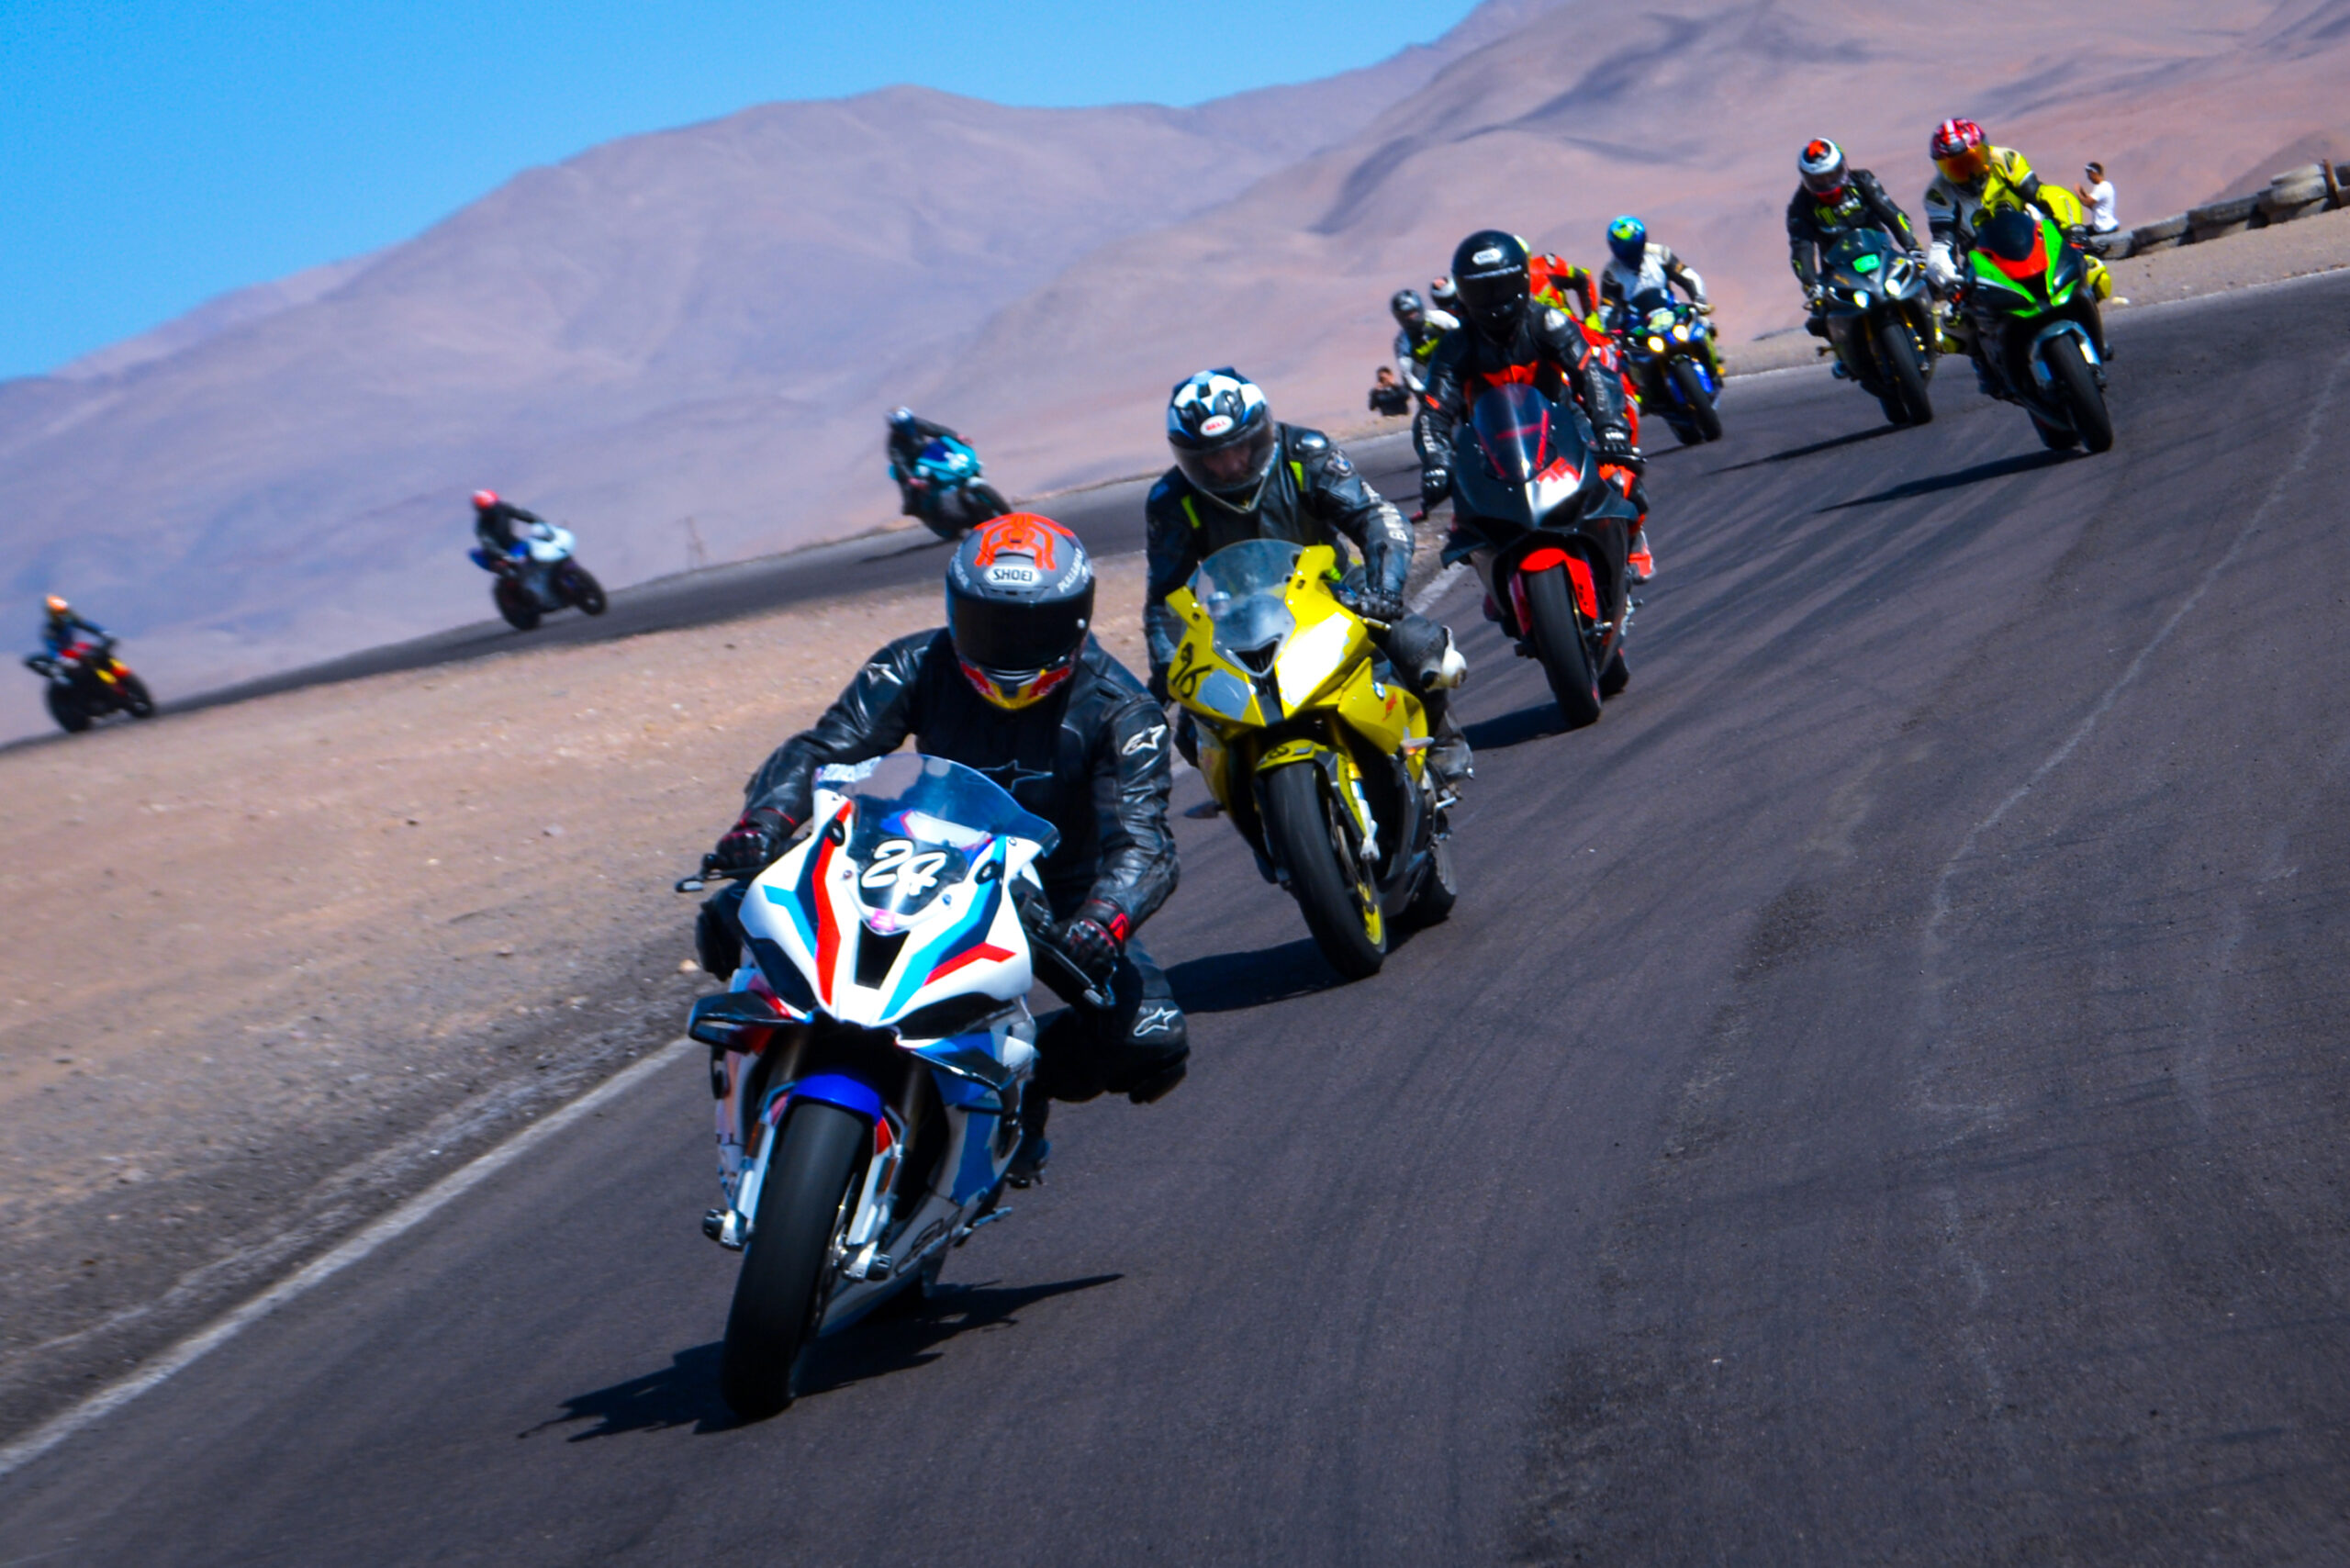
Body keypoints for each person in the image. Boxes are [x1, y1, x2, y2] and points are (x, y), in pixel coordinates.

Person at [705, 514, 1184, 1185]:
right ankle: (764, 1075)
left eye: (1034, 629)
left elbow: (1145, 843)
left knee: (1151, 1037)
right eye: (992, 625)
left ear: (1076, 624)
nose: (1011, 647)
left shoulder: (1122, 710)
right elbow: (823, 751)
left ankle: (1023, 1088)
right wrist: (761, 823)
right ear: (957, 610)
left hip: (1056, 898)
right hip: (916, 854)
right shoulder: (913, 661)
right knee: (730, 914)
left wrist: (1103, 918)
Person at [1145, 367, 1472, 786]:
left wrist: (1384, 590)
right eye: (1212, 457)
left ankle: (1440, 738)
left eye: (1239, 448)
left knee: (1415, 645)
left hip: (1335, 591)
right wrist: (1169, 664)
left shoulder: (1305, 453)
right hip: (1233, 622)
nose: (1229, 465)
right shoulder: (1171, 501)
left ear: (1260, 432)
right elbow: (1164, 597)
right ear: (1188, 458)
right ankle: (1263, 814)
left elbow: (1376, 519)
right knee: (1194, 733)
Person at [1423, 230, 1654, 583]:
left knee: (1621, 477)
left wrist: (1610, 427)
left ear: (1521, 280)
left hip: (1562, 425)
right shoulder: (1454, 347)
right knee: (1464, 527)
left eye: (1500, 287)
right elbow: (1432, 412)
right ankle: (1496, 582)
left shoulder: (1547, 321)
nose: (1493, 300)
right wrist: (1437, 461)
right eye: (1481, 291)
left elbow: (1590, 374)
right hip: (1488, 443)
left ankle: (1634, 540)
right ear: (1464, 293)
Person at [1922, 118, 2114, 386]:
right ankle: (1986, 365)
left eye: (1972, 160)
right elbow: (1941, 245)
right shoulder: (1938, 194)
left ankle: (2095, 336)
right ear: (1942, 169)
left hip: (2030, 240)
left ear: (1985, 150)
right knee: (1956, 322)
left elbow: (2045, 195)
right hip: (1982, 261)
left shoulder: (2006, 161)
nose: (1968, 172)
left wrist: (2073, 229)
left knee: (2092, 269)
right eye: (1956, 167)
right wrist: (1949, 279)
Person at [1786, 137, 1925, 335]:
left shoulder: (1863, 181)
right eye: (1818, 179)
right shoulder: (1800, 207)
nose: (1827, 183)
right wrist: (1811, 284)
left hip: (1882, 254)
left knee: (1922, 279)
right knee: (1819, 319)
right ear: (1806, 178)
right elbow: (1802, 249)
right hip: (1837, 271)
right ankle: (1844, 359)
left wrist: (1913, 247)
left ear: (1843, 166)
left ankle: (1932, 328)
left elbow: (1892, 214)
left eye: (1831, 175)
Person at [1599, 215, 1719, 380]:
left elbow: (1686, 275)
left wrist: (1699, 300)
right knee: (1626, 361)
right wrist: (1611, 332)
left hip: (1669, 308)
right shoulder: (1611, 274)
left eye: (1633, 247)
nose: (1630, 253)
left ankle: (1713, 367)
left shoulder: (1659, 253)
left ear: (1642, 241)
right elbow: (1608, 307)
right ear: (1613, 248)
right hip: (1638, 324)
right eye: (1623, 249)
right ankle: (1645, 396)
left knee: (1703, 325)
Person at [1390, 287, 1460, 483]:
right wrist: (1422, 391)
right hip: (1435, 389)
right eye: (1404, 316)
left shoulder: (1439, 320)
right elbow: (1407, 372)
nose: (1410, 319)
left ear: (1420, 308)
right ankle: (1437, 468)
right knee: (1422, 427)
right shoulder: (1402, 341)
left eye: (1412, 313)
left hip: (1462, 374)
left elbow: (1464, 336)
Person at [884, 407, 967, 518]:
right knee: (907, 485)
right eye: (902, 426)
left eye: (907, 423)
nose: (906, 427)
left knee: (946, 457)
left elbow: (936, 429)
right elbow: (900, 462)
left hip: (926, 455)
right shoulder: (893, 445)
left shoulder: (917, 423)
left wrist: (956, 436)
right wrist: (910, 478)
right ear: (895, 428)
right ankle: (911, 504)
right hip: (910, 465)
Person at [470, 490, 547, 556]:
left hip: (515, 544)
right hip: (501, 554)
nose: (492, 509)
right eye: (487, 508)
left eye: (494, 505)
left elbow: (525, 515)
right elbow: (488, 544)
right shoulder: (482, 525)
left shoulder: (504, 508)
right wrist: (503, 555)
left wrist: (543, 524)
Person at [39, 595, 106, 655]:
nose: (64, 615)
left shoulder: (70, 620)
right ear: (52, 614)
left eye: (65, 611)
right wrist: (60, 660)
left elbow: (88, 626)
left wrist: (103, 633)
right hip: (66, 656)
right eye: (60, 613)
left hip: (76, 648)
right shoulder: (49, 631)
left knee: (96, 652)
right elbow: (52, 650)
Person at [2077, 162, 2119, 234]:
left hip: (2104, 228)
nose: (2088, 178)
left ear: (2094, 173)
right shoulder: (2105, 186)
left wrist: (2077, 191)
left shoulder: (2102, 188)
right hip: (2103, 226)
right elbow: (2092, 205)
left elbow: (2086, 202)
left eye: (2089, 174)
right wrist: (2083, 193)